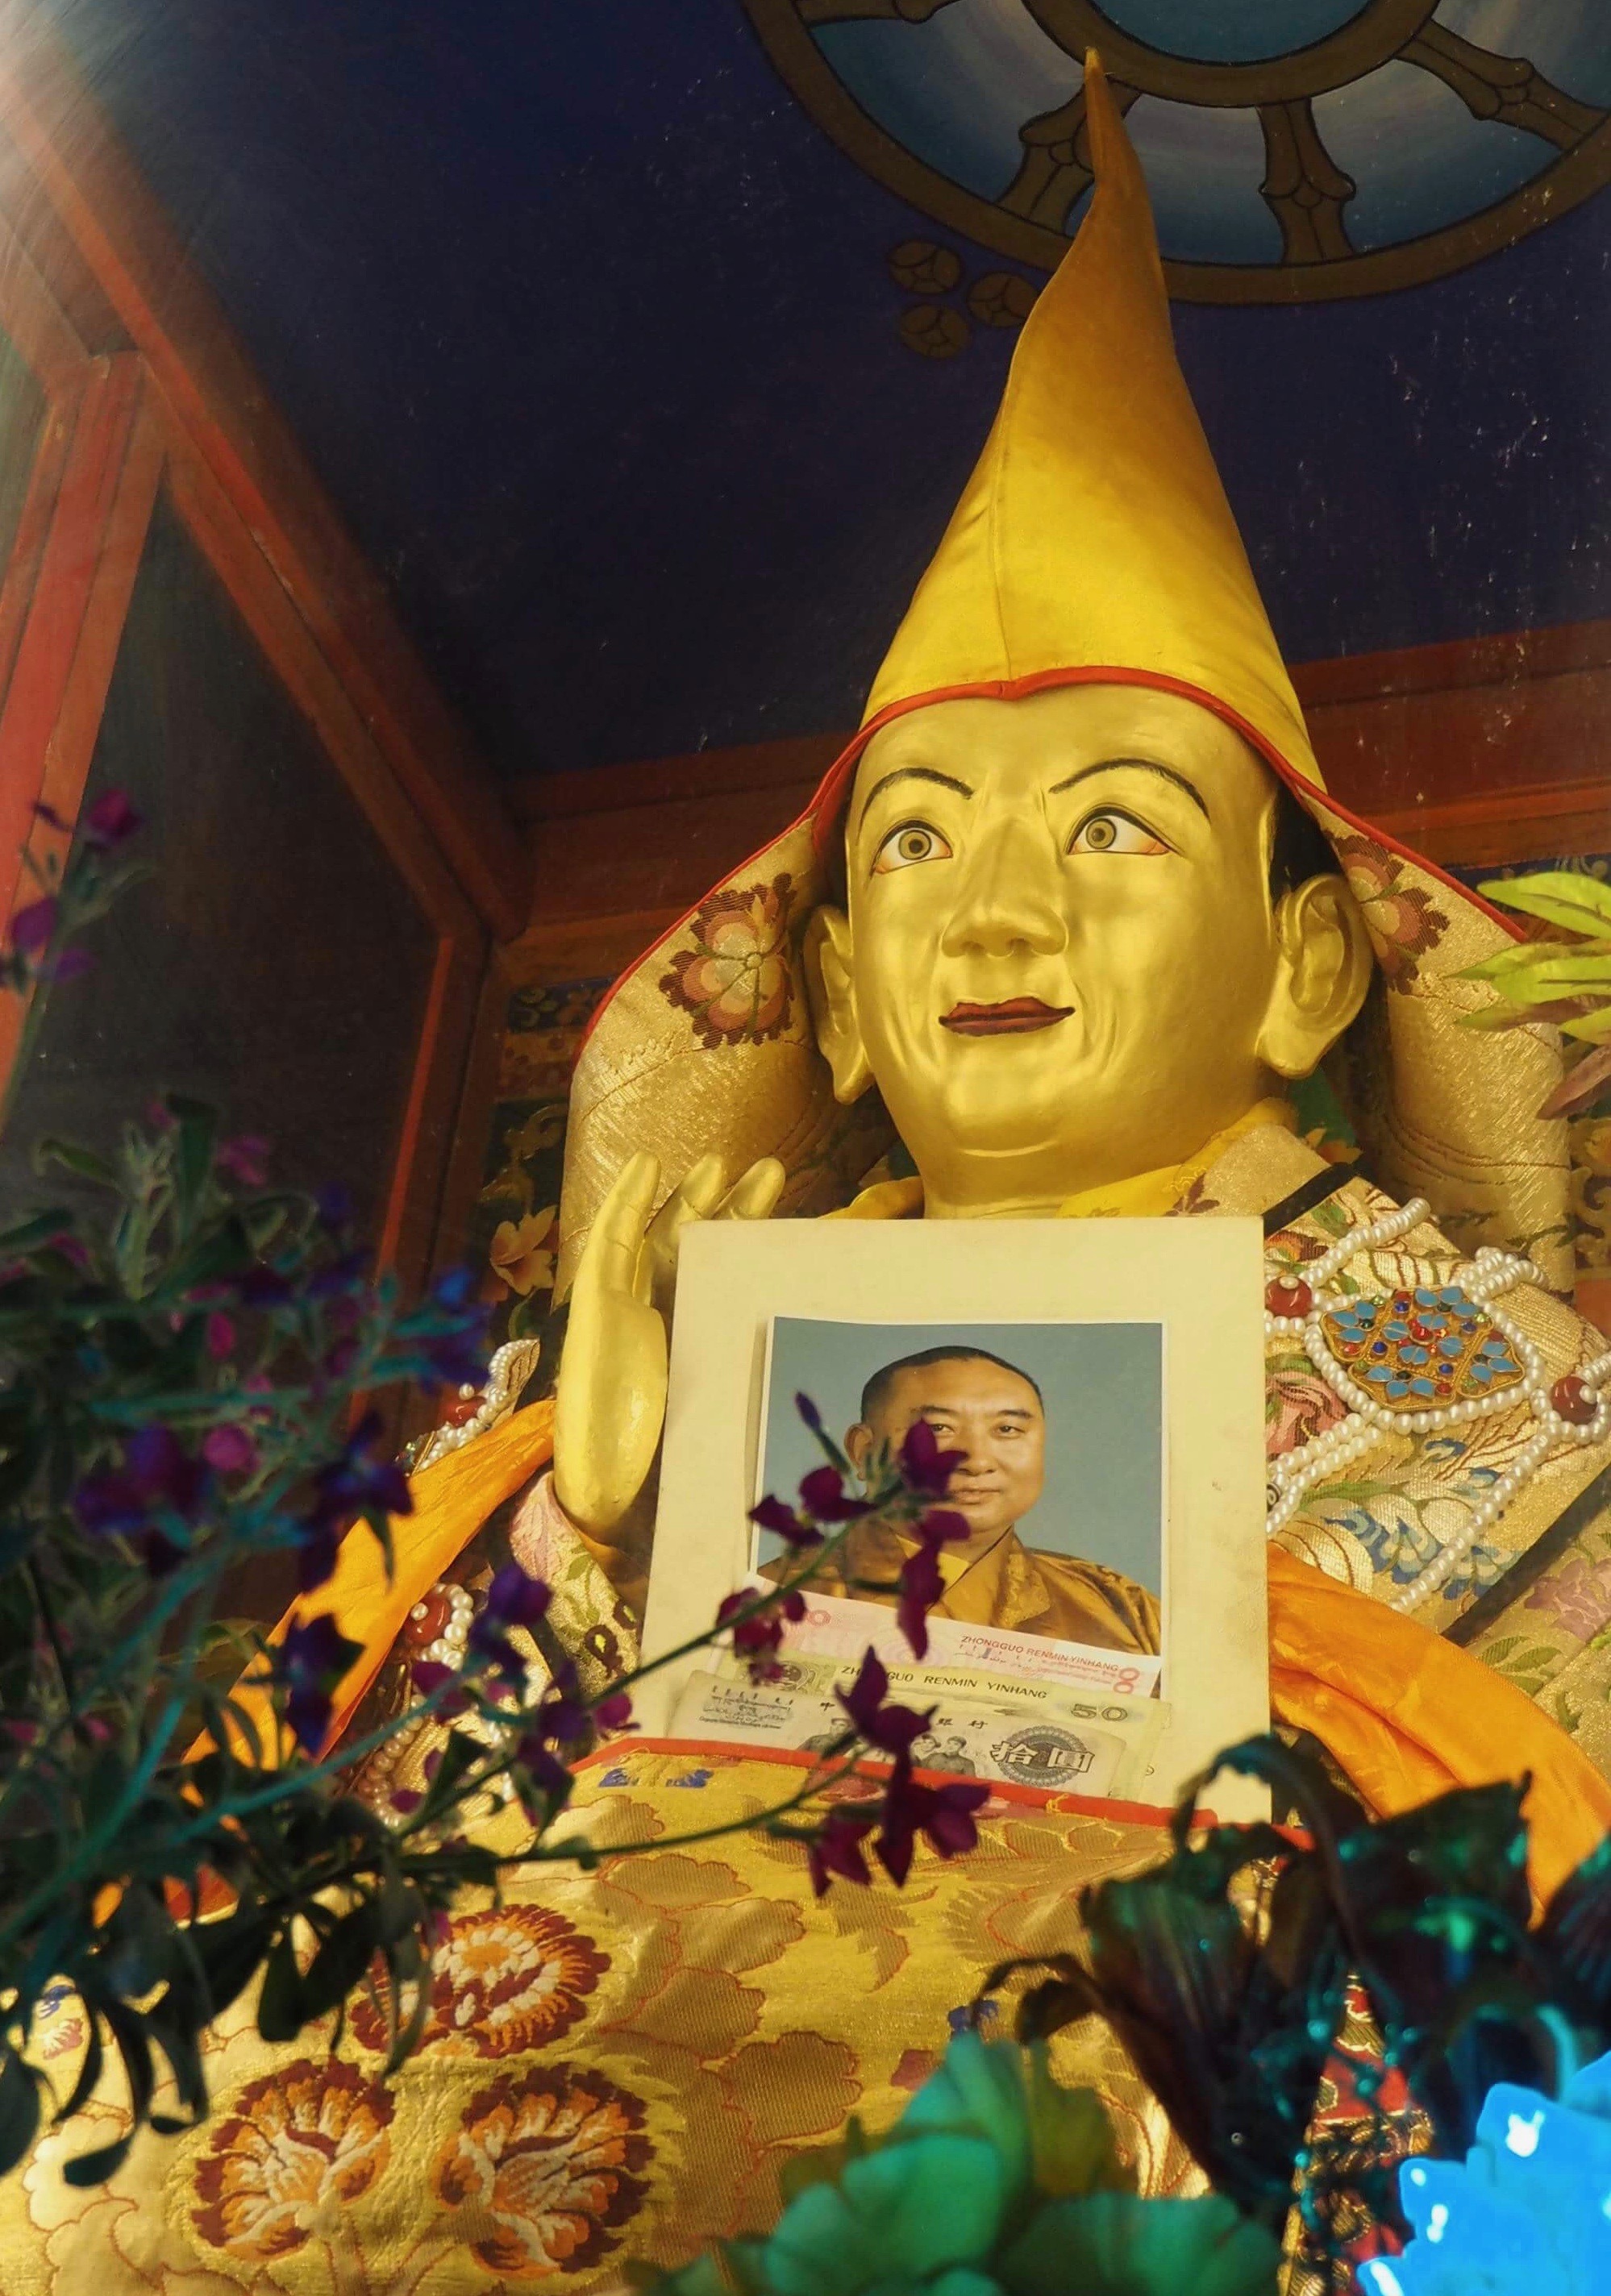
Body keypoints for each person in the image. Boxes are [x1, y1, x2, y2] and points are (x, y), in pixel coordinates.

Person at [776, 1342, 1160, 1656]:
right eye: (939, 1429)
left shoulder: (1118, 1606)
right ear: (863, 1452)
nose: (976, 1461)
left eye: (1007, 1429)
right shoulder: (774, 1595)